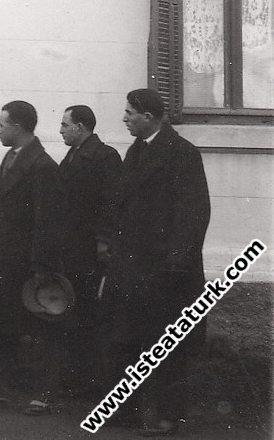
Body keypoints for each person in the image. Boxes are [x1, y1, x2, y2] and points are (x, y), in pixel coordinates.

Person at [104, 89, 210, 436]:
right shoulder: (135, 152)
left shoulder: (182, 153)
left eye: (129, 113)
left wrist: (176, 264)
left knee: (169, 348)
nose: (124, 118)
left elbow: (194, 214)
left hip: (167, 272)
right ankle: (128, 411)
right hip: (133, 268)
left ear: (148, 117)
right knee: (129, 341)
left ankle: (167, 417)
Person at [0, 100, 63, 416]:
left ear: (18, 127)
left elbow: (47, 221)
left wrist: (41, 267)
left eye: (2, 124)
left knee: (41, 331)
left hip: (27, 264)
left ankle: (43, 395)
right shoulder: (12, 157)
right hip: (2, 260)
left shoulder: (42, 166)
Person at [55, 104, 122, 395]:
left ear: (80, 127)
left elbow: (112, 204)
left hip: (92, 254)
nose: (60, 130)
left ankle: (93, 385)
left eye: (64, 124)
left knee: (90, 316)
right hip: (71, 250)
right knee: (74, 314)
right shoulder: (70, 157)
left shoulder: (105, 157)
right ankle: (76, 382)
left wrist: (104, 242)